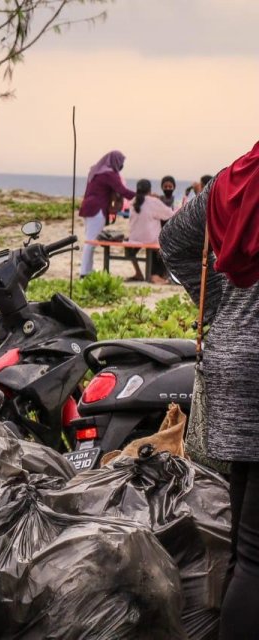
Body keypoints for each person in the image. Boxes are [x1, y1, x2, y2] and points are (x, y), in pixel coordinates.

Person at [159, 141, 259, 639]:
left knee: (248, 546)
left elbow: (173, 240)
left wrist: (221, 309)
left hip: (232, 366)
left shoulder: (233, 180)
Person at [78, 150, 136, 277]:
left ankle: (87, 270)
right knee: (91, 241)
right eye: (121, 162)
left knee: (90, 240)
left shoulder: (95, 172)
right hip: (97, 209)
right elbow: (122, 190)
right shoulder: (109, 174)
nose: (121, 166)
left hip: (88, 207)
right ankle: (84, 272)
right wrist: (142, 196)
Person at [124, 179, 176, 283]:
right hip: (151, 240)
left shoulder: (133, 201)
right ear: (150, 190)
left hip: (134, 238)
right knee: (161, 246)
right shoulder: (153, 201)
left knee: (130, 248)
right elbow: (170, 214)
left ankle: (138, 273)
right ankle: (156, 276)